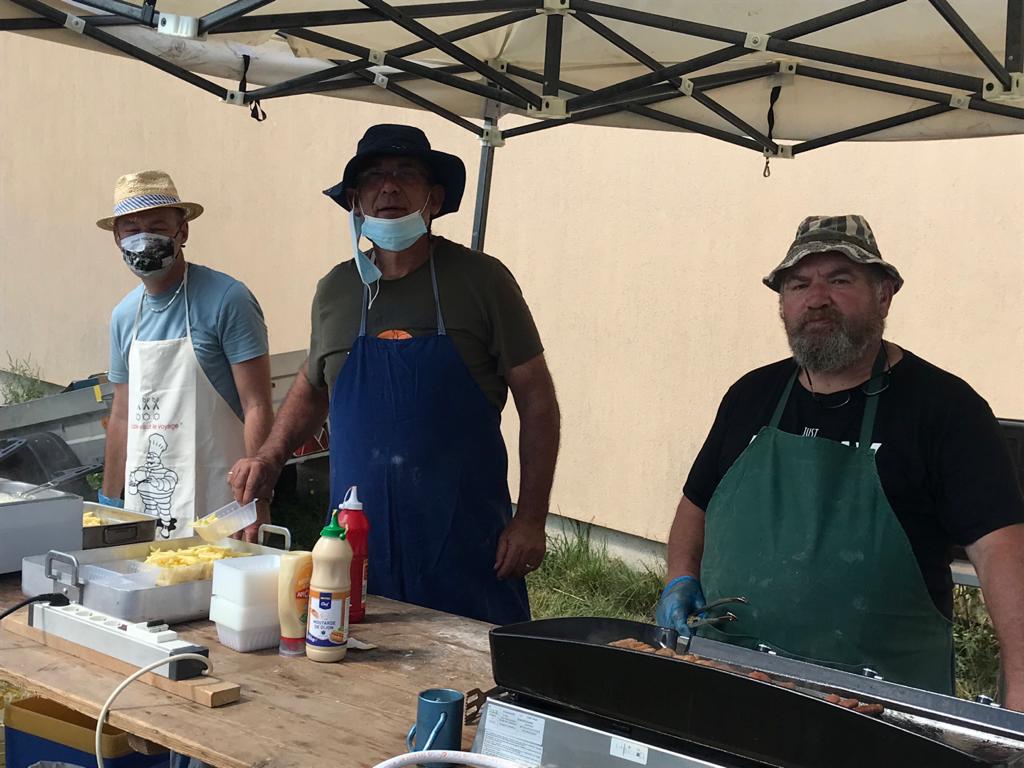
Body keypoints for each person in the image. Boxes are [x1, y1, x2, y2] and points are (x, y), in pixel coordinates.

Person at [656, 215, 1024, 705]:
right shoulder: (750, 396)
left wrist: (1018, 705)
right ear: (783, 304)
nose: (817, 299)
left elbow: (1003, 554)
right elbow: (694, 507)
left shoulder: (946, 410)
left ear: (884, 295)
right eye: (798, 284)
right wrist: (681, 575)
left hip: (881, 707)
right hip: (732, 683)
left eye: (840, 280)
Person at [229, 124, 560, 625]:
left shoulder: (481, 280)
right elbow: (314, 384)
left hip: (464, 540)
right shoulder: (336, 289)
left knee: (475, 664)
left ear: (434, 199)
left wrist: (531, 518)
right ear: (355, 202)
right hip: (354, 541)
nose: (389, 186)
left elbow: (537, 400)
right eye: (373, 177)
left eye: (406, 173)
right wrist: (270, 458)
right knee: (354, 658)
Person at [99, 170, 274, 542]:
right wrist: (109, 504)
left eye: (157, 227)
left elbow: (257, 404)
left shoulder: (227, 299)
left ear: (183, 231)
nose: (143, 239)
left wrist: (258, 500)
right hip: (144, 510)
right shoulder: (124, 316)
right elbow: (121, 415)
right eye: (132, 230)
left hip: (222, 507)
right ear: (117, 238)